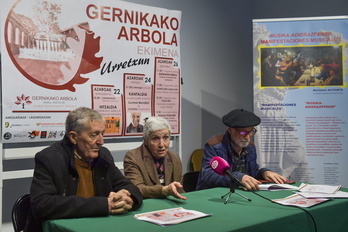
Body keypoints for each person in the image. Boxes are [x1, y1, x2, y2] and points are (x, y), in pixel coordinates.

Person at [25, 107, 143, 232]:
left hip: (97, 226)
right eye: (94, 135)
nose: (101, 142)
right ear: (73, 137)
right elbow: (42, 205)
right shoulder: (49, 158)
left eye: (102, 134)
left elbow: (128, 186)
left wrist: (129, 198)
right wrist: (105, 205)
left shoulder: (103, 156)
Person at [196, 108, 287, 191]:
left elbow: (252, 173)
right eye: (243, 132)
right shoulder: (214, 145)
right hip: (214, 194)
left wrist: (264, 173)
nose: (247, 137)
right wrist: (237, 177)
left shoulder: (250, 147)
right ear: (230, 130)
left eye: (251, 131)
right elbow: (208, 175)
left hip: (240, 194)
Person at [123, 116, 186, 200]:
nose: (161, 144)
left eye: (165, 138)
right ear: (145, 140)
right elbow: (137, 189)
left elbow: (180, 191)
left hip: (172, 206)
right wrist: (163, 190)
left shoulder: (174, 158)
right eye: (155, 138)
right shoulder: (132, 157)